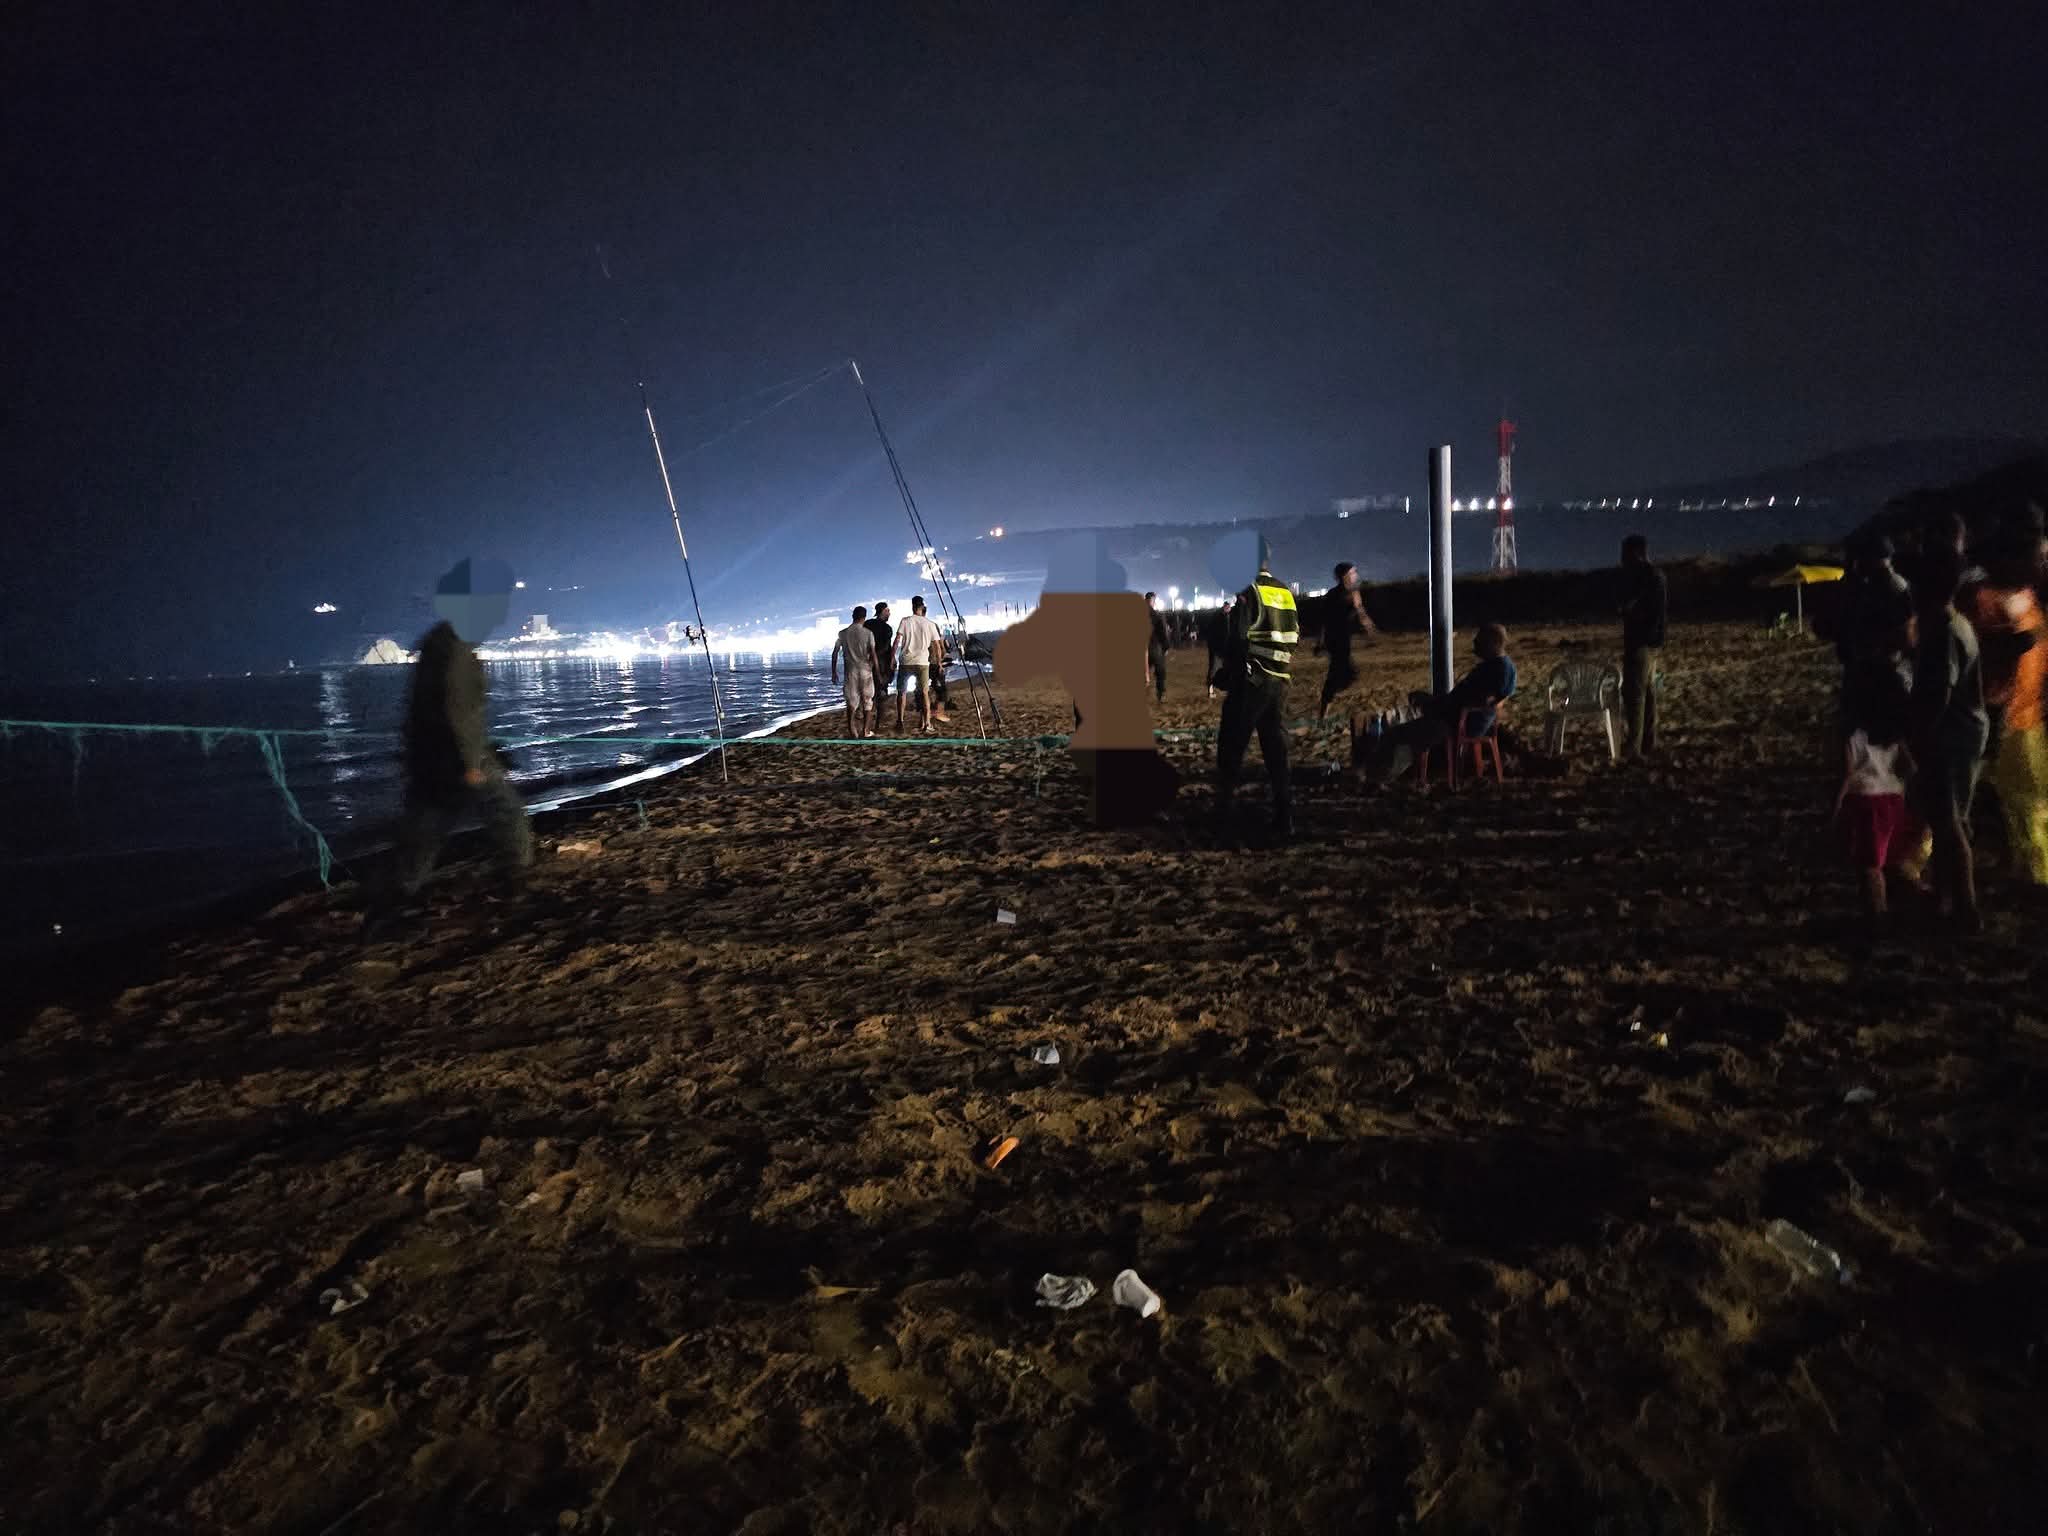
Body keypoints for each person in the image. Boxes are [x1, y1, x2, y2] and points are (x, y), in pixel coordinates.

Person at [394, 615, 533, 898]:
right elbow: (460, 710)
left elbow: (425, 711)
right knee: (507, 812)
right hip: (460, 759)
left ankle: (401, 888)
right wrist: (471, 762)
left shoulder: (435, 649)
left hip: (430, 758)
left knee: (428, 828)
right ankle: (517, 875)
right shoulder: (457, 652)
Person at [1910, 543, 1990, 928]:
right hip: (1964, 731)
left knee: (1949, 820)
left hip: (1951, 735)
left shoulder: (1944, 632)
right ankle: (1946, 899)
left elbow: (1938, 694)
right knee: (1950, 817)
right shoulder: (1957, 623)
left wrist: (1917, 734)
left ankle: (1966, 908)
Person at [1973, 525, 2048, 888]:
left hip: (2026, 714)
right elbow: (1988, 650)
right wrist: (2020, 640)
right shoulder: (1986, 599)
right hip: (1997, 717)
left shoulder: (2028, 596)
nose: (2044, 562)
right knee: (2024, 799)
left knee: (2029, 799)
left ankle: (2031, 870)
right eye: (2039, 556)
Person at [1215, 542, 1299, 839]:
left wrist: (1227, 673)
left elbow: (1238, 639)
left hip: (1253, 680)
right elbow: (1294, 635)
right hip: (1280, 680)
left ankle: (1223, 817)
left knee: (1231, 747)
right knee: (1276, 751)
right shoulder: (1285, 592)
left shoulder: (1249, 590)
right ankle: (1285, 817)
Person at [1364, 623, 1517, 779]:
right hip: (1457, 718)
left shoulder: (1499, 669)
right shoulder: (1499, 666)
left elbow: (1480, 700)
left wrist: (1438, 705)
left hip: (1458, 723)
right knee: (1408, 721)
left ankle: (1379, 777)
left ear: (1492, 642)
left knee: (1395, 735)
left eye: (1479, 639)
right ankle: (1388, 773)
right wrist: (1436, 702)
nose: (1474, 642)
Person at [1834, 668, 1915, 920]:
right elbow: (1909, 767)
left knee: (1869, 867)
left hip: (1866, 804)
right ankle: (1901, 907)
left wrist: (1835, 807)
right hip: (1894, 799)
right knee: (1890, 861)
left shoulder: (1853, 736)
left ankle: (1877, 915)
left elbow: (1846, 774)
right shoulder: (1894, 735)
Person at [1617, 534, 1667, 758]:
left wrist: (1628, 611)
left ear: (1635, 553)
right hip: (1651, 641)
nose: (1622, 559)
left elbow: (1642, 609)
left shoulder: (1645, 578)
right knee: (1648, 692)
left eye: (1624, 554)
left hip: (1640, 642)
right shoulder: (1655, 576)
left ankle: (1634, 745)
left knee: (1634, 694)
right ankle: (1648, 741)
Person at [1318, 561, 1375, 721]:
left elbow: (1324, 620)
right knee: (1342, 674)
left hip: (1336, 639)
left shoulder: (1334, 594)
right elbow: (1360, 614)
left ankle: (1324, 709)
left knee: (1340, 673)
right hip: (1339, 640)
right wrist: (1369, 630)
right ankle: (1324, 710)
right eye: (1353, 573)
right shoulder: (1350, 594)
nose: (1356, 575)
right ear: (1345, 576)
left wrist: (1320, 641)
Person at [891, 595, 943, 733]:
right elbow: (937, 646)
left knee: (901, 692)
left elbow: (896, 641)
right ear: (922, 607)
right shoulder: (930, 624)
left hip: (905, 661)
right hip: (922, 663)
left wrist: (892, 658)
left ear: (913, 607)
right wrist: (939, 663)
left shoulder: (905, 621)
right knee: (925, 693)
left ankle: (900, 722)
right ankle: (927, 724)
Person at [832, 604, 879, 739]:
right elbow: (873, 654)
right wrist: (877, 671)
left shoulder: (843, 633)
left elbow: (835, 653)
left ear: (853, 616)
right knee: (868, 701)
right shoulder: (868, 633)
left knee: (851, 701)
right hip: (866, 671)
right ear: (864, 618)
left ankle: (852, 729)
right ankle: (866, 731)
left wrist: (834, 672)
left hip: (850, 671)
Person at [865, 601, 895, 728]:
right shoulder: (887, 629)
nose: (889, 613)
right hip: (882, 664)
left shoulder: (868, 624)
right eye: (887, 611)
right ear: (882, 611)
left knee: (868, 694)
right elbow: (886, 647)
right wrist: (891, 660)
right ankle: (878, 722)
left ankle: (867, 723)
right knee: (881, 692)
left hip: (866, 662)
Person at [1145, 592, 1171, 702]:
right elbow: (1163, 633)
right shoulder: (1157, 615)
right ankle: (1161, 693)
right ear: (1153, 600)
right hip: (1155, 647)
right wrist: (1166, 647)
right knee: (1160, 671)